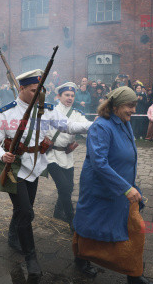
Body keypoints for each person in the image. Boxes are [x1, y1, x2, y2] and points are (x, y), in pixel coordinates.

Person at [0, 70, 92, 279]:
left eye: (40, 91)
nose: (37, 95)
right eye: (33, 91)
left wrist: (96, 125)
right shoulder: (6, 112)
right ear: (21, 88)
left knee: (24, 209)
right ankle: (31, 258)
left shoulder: (47, 110)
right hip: (14, 167)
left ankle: (12, 235)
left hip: (35, 167)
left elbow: (69, 125)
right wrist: (2, 154)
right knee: (26, 212)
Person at [73, 86, 153, 284]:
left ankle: (134, 275)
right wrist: (126, 188)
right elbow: (99, 162)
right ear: (116, 106)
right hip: (101, 189)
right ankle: (81, 258)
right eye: (130, 105)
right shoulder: (101, 126)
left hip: (121, 186)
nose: (133, 110)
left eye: (135, 105)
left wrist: (128, 184)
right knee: (89, 226)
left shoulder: (123, 121)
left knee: (131, 229)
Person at [46, 83, 92, 233]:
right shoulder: (50, 111)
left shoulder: (77, 113)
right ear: (59, 96)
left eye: (72, 95)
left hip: (67, 154)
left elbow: (85, 128)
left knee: (70, 187)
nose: (70, 98)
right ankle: (72, 220)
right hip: (51, 154)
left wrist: (98, 126)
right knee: (64, 187)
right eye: (67, 95)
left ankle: (58, 212)